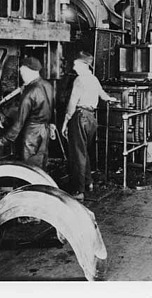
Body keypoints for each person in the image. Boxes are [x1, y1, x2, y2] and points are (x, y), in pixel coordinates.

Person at [61, 52, 118, 201]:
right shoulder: (93, 79)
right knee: (84, 151)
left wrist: (65, 122)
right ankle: (88, 182)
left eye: (76, 64)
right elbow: (103, 95)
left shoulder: (80, 80)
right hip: (91, 119)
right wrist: (110, 99)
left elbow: (72, 103)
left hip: (80, 117)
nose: (73, 67)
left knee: (77, 154)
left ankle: (78, 191)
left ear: (83, 65)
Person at [0, 56, 53, 169]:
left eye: (22, 72)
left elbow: (20, 121)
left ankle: (29, 186)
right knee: (40, 164)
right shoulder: (48, 86)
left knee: (28, 166)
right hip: (44, 130)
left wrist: (5, 139)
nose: (22, 75)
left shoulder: (30, 92)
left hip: (32, 133)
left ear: (29, 71)